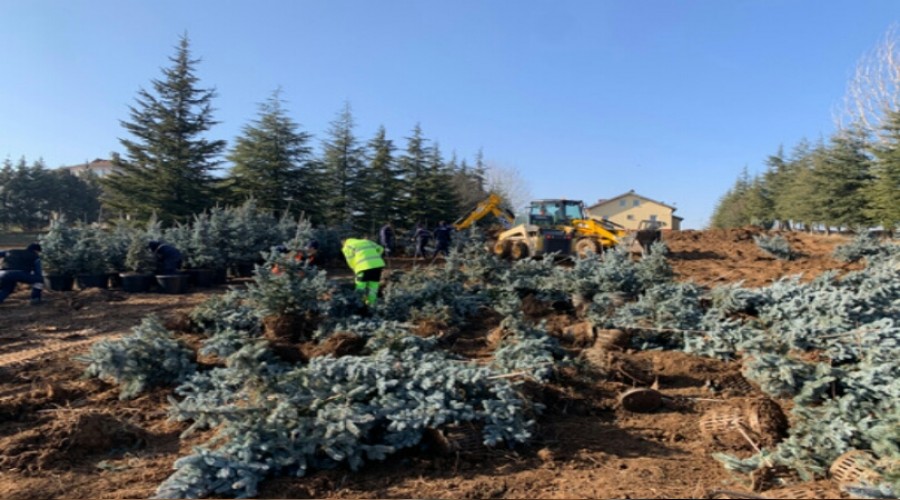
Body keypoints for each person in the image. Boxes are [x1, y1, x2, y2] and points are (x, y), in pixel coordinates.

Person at [341, 237, 385, 307]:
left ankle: (360, 305)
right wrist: (375, 257)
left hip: (363, 267)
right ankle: (372, 305)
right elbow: (381, 249)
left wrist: (355, 268)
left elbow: (350, 260)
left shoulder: (347, 246)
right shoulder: (366, 241)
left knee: (360, 287)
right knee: (373, 286)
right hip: (377, 266)